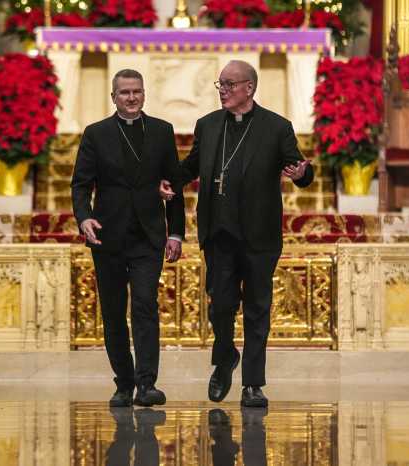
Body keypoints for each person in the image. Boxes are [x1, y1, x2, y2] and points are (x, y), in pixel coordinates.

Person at [160, 60, 313, 407]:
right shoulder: (209, 125)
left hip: (260, 236)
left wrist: (303, 173)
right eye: (221, 85)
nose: (223, 91)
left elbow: (299, 168)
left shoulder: (276, 127)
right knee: (221, 306)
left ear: (249, 88)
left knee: (258, 308)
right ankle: (225, 356)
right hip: (219, 232)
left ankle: (253, 385)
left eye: (230, 85)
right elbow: (192, 165)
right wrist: (170, 180)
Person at [71, 69, 185, 408]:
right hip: (108, 236)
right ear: (114, 97)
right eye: (124, 93)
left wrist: (176, 232)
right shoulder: (96, 134)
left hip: (148, 236)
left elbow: (173, 185)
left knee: (145, 305)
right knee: (114, 311)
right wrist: (84, 216)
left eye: (137, 91)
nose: (131, 97)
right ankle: (124, 382)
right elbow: (80, 184)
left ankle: (147, 383)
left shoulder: (162, 132)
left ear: (144, 94)